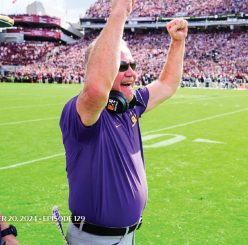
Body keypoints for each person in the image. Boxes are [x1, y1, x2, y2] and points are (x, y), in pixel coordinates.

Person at [59, 0, 188, 244]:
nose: (132, 72)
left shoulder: (130, 105)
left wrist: (177, 42)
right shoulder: (79, 112)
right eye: (121, 66)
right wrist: (119, 12)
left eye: (132, 64)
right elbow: (97, 89)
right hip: (93, 239)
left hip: (128, 236)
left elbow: (167, 84)